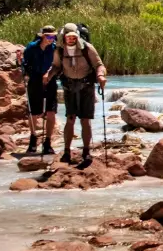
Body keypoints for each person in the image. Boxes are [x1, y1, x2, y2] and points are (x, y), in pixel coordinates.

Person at [42, 23, 107, 164]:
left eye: (73, 37)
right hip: (69, 87)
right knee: (70, 119)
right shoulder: (59, 50)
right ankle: (66, 152)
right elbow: (56, 66)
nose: (71, 40)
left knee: (85, 120)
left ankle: (86, 152)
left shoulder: (87, 48)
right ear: (63, 37)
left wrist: (101, 76)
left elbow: (99, 65)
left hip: (86, 87)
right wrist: (49, 74)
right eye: (68, 37)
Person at [20, 25, 58, 155]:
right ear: (42, 36)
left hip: (50, 80)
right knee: (34, 112)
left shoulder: (55, 48)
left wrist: (49, 74)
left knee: (51, 112)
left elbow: (56, 65)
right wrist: (25, 74)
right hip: (35, 81)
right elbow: (25, 63)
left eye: (53, 36)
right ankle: (33, 138)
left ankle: (47, 142)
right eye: (49, 36)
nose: (51, 39)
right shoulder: (31, 47)